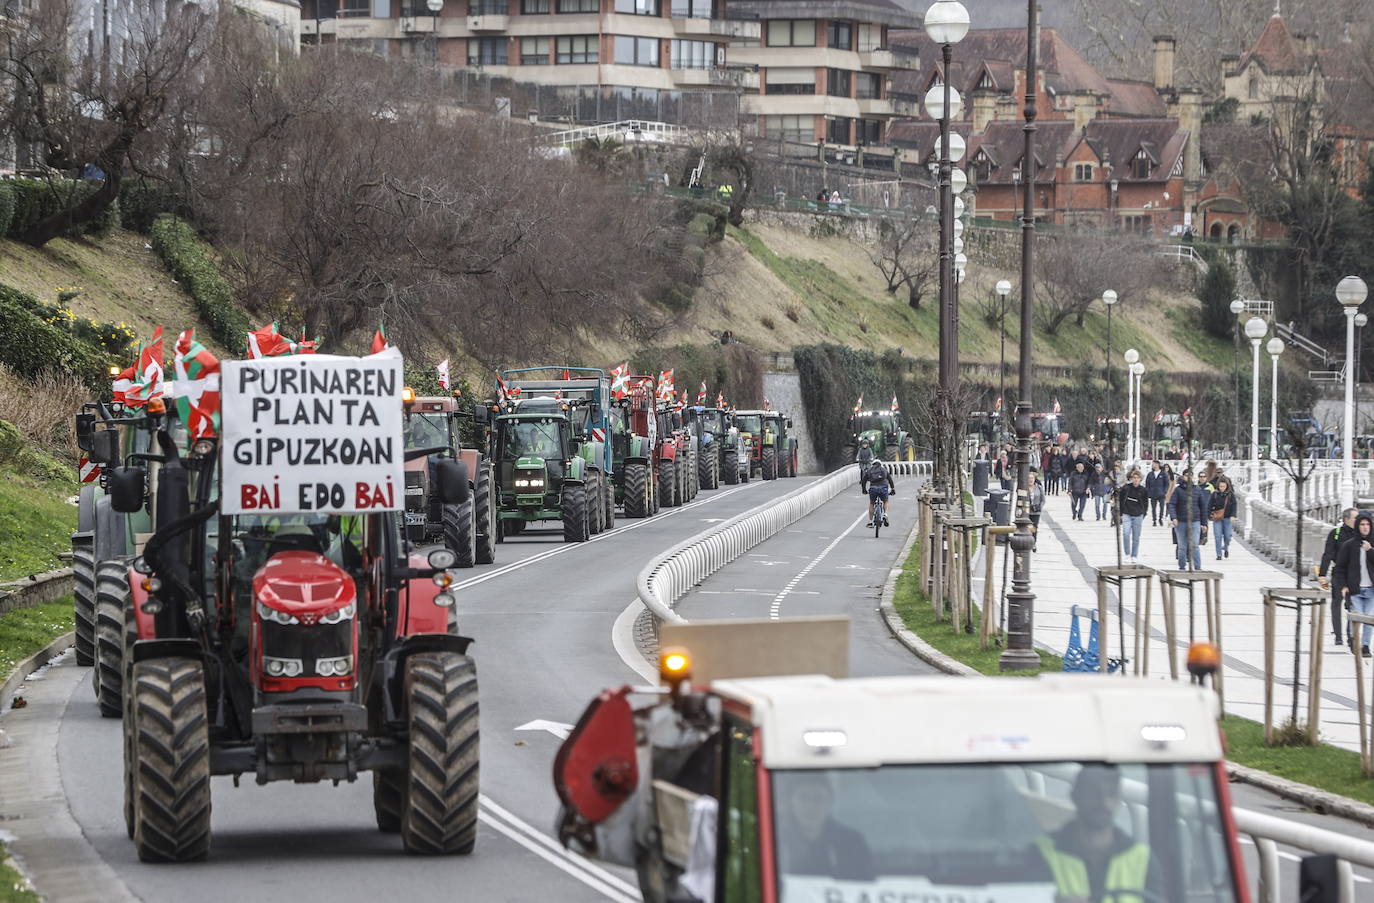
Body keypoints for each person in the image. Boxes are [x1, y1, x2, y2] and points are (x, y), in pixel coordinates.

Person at [1035, 765, 1160, 903]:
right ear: (1075, 796)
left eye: (1110, 794)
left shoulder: (1143, 859)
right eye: (1093, 793)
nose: (1103, 802)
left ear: (1118, 800)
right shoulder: (1041, 853)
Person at [778, 773, 875, 881]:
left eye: (819, 798)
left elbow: (864, 886)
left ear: (830, 802)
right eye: (803, 797)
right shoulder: (776, 839)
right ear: (790, 802)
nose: (811, 806)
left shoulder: (852, 843)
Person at [1334, 512, 1374, 657]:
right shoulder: (1349, 545)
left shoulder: (1372, 544)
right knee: (1356, 616)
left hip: (1371, 590)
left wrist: (1370, 551)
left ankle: (1365, 646)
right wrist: (1343, 586)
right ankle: (1353, 640)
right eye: (1362, 524)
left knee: (1370, 618)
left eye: (1368, 524)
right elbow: (1340, 568)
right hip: (1355, 589)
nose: (1365, 527)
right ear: (1358, 526)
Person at [1320, 508, 1358, 647]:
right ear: (1346, 519)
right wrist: (1322, 574)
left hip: (1355, 574)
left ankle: (1350, 636)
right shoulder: (1335, 533)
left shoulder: (1361, 534)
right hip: (1339, 573)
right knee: (1336, 603)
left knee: (1353, 605)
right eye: (1355, 518)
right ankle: (1338, 635)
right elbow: (1328, 555)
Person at [1168, 470, 1208, 570]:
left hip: (1195, 521)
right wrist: (1174, 517)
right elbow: (1172, 504)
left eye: (1190, 475)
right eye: (1186, 476)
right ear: (1183, 476)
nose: (1188, 477)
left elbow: (1203, 507)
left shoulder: (1197, 490)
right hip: (1181, 521)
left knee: (1195, 545)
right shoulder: (1178, 490)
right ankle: (1182, 567)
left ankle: (1198, 567)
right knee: (1182, 546)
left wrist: (1204, 523)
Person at [1118, 470, 1149, 563]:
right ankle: (1127, 554)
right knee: (1126, 533)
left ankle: (1134, 555)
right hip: (1126, 514)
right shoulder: (1126, 488)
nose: (1135, 480)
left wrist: (1144, 513)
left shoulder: (1143, 490)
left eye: (1137, 478)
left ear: (1140, 479)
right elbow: (1120, 499)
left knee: (1136, 536)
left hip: (1138, 515)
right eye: (1134, 478)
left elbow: (1145, 502)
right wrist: (1120, 512)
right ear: (1131, 479)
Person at [860, 456, 894, 527]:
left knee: (872, 503)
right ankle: (885, 514)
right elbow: (890, 480)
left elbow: (863, 481)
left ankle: (870, 521)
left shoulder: (869, 470)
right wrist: (893, 489)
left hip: (873, 488)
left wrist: (864, 489)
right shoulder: (883, 469)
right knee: (885, 501)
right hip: (883, 488)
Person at [1209, 476, 1237, 560]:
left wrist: (1233, 515)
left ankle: (1225, 547)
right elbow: (1209, 505)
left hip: (1227, 518)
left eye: (1223, 486)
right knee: (1217, 536)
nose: (1222, 488)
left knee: (1228, 536)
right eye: (1220, 486)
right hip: (1217, 518)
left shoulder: (1231, 494)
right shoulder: (1214, 494)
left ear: (1227, 486)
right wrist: (1208, 515)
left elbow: (1234, 505)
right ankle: (1219, 554)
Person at [1144, 461, 1168, 527]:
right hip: (1153, 493)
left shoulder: (1163, 474)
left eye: (1154, 464)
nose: (1153, 465)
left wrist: (1165, 491)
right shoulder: (1150, 474)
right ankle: (1154, 520)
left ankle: (1160, 519)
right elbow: (1147, 484)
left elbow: (1166, 483)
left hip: (1161, 493)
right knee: (1153, 508)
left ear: (1157, 465)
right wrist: (1148, 492)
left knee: (1162, 507)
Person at [1028, 471, 1045, 550]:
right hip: (1027, 511)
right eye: (1029, 478)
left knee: (1034, 528)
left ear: (1034, 479)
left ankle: (1033, 543)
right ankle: (1027, 542)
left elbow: (1043, 500)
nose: (1030, 480)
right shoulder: (1024, 488)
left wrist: (1039, 507)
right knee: (1027, 527)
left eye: (1032, 478)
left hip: (1036, 512)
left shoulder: (1039, 487)